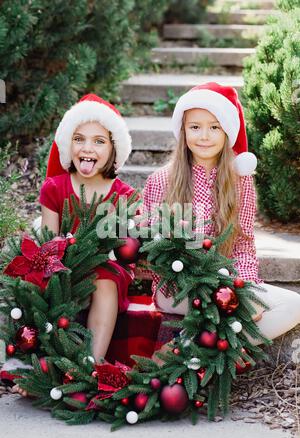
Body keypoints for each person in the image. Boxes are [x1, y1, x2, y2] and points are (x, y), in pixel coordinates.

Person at [143, 82, 300, 347]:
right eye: (195, 127)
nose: (204, 136)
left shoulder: (240, 182)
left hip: (228, 282)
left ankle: (198, 348)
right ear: (183, 131)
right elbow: (151, 249)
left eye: (214, 127)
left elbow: (243, 244)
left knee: (293, 305)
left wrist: (244, 288)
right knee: (237, 309)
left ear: (226, 131)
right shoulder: (161, 181)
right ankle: (212, 341)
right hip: (176, 287)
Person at [15, 94, 136, 391]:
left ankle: (88, 369)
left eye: (99, 141)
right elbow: (48, 240)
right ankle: (41, 368)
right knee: (48, 282)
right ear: (68, 145)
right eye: (79, 139)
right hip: (63, 260)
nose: (87, 148)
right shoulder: (55, 188)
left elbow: (125, 245)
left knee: (105, 282)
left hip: (104, 264)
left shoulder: (122, 193)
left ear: (113, 150)